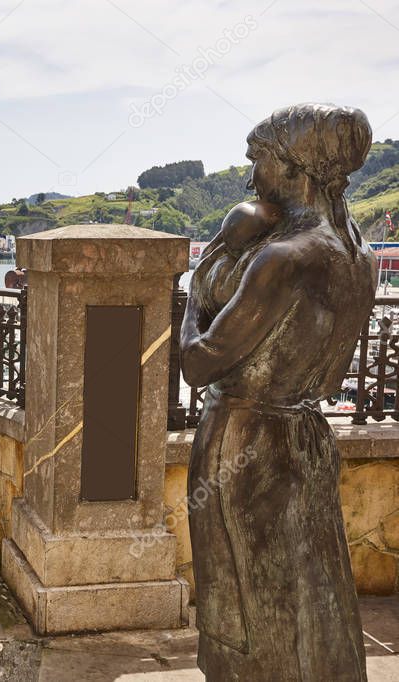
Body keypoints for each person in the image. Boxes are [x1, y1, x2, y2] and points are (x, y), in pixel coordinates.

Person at [182, 103, 374, 681]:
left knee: (243, 602)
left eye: (258, 161)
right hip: (307, 438)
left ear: (294, 168)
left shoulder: (282, 259)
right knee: (313, 592)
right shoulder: (358, 257)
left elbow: (198, 362)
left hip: (246, 440)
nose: (250, 178)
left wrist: (197, 289)